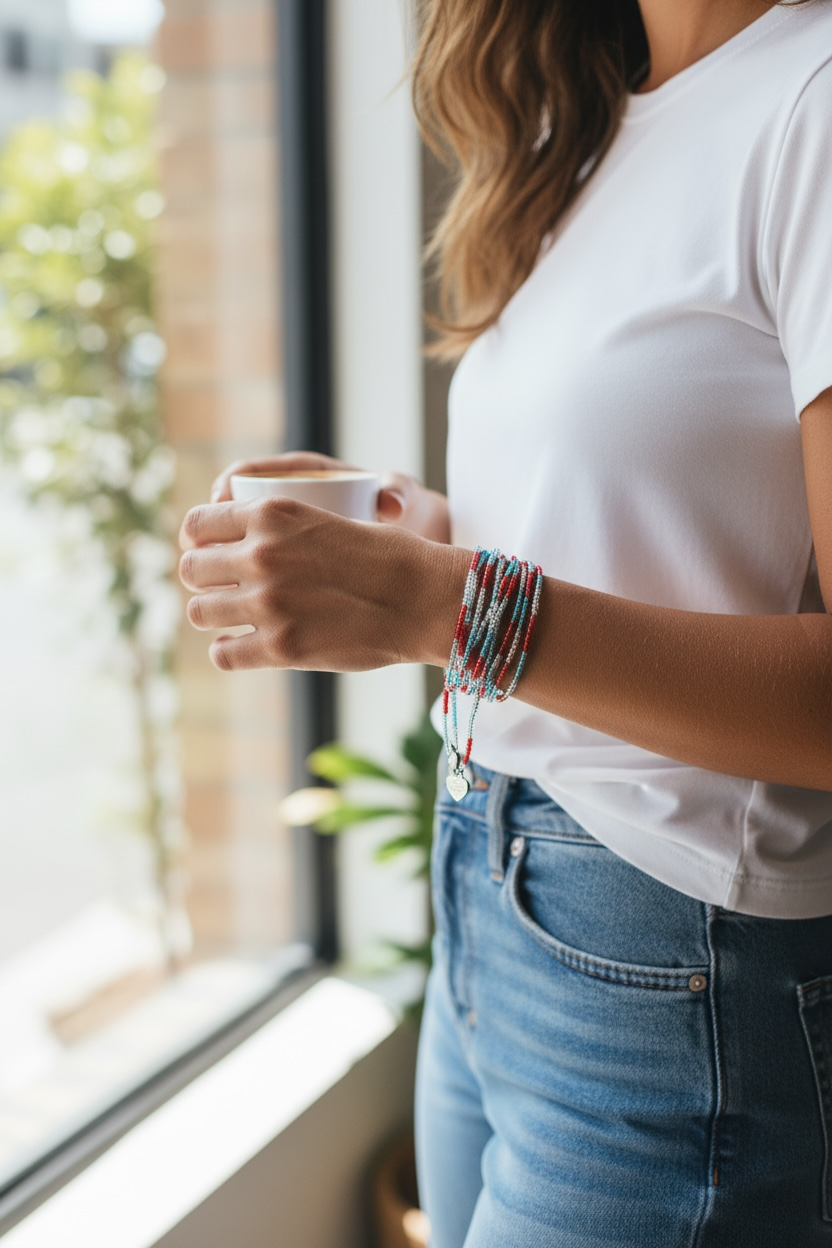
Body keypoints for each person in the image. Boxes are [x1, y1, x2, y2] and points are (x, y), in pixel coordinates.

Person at [179, 0, 832, 1241]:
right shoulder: (595, 119)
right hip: (495, 889)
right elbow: (674, 533)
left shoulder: (814, 102)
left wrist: (447, 605)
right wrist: (425, 543)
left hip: (668, 956)